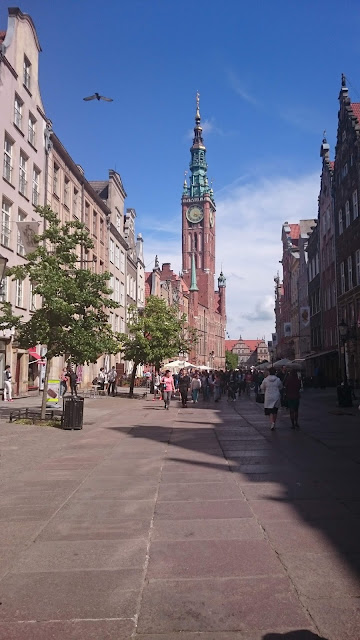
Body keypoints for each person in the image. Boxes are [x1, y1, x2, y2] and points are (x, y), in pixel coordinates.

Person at [260, 367, 283, 431]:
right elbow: (281, 387)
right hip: (276, 396)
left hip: (268, 397)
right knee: (275, 411)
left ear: (269, 372)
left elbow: (262, 387)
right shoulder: (278, 379)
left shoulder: (266, 379)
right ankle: (274, 422)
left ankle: (272, 423)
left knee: (270, 411)